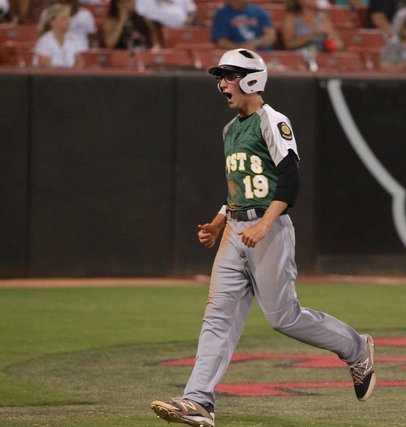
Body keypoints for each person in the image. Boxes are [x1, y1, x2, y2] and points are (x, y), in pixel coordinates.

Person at [150, 48, 376, 427]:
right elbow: (240, 186)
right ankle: (198, 401)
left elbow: (290, 179)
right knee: (217, 317)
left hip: (266, 229)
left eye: (229, 75)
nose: (222, 83)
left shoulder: (272, 120)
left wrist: (264, 224)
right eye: (220, 76)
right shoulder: (230, 129)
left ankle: (356, 348)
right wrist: (222, 219)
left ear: (252, 79)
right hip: (237, 229)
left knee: (283, 317)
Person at [210, 0, 276, 51]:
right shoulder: (222, 14)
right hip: (235, 55)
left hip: (261, 53)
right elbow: (222, 41)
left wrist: (255, 43)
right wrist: (241, 49)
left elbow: (271, 36)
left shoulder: (258, 11)